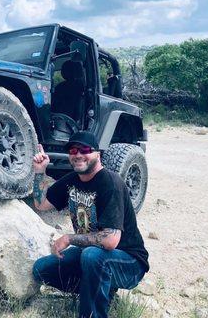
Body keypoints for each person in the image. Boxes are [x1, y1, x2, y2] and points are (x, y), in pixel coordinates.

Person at [31, 131, 149, 318]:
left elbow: (110, 240)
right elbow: (41, 204)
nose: (78, 154)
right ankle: (102, 290)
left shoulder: (111, 182)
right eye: (73, 149)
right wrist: (39, 172)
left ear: (97, 154)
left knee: (92, 255)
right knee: (41, 269)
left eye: (85, 149)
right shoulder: (71, 181)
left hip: (129, 262)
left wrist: (69, 237)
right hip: (92, 255)